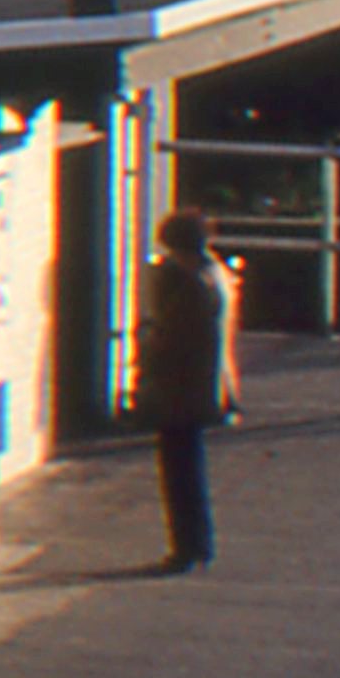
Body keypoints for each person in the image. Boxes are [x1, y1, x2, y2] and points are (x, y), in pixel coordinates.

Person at [134, 207, 240, 572]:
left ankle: (185, 548)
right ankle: (199, 545)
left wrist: (145, 347)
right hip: (208, 382)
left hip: (181, 388)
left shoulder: (186, 284)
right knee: (190, 468)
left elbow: (170, 339)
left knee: (179, 473)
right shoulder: (216, 274)